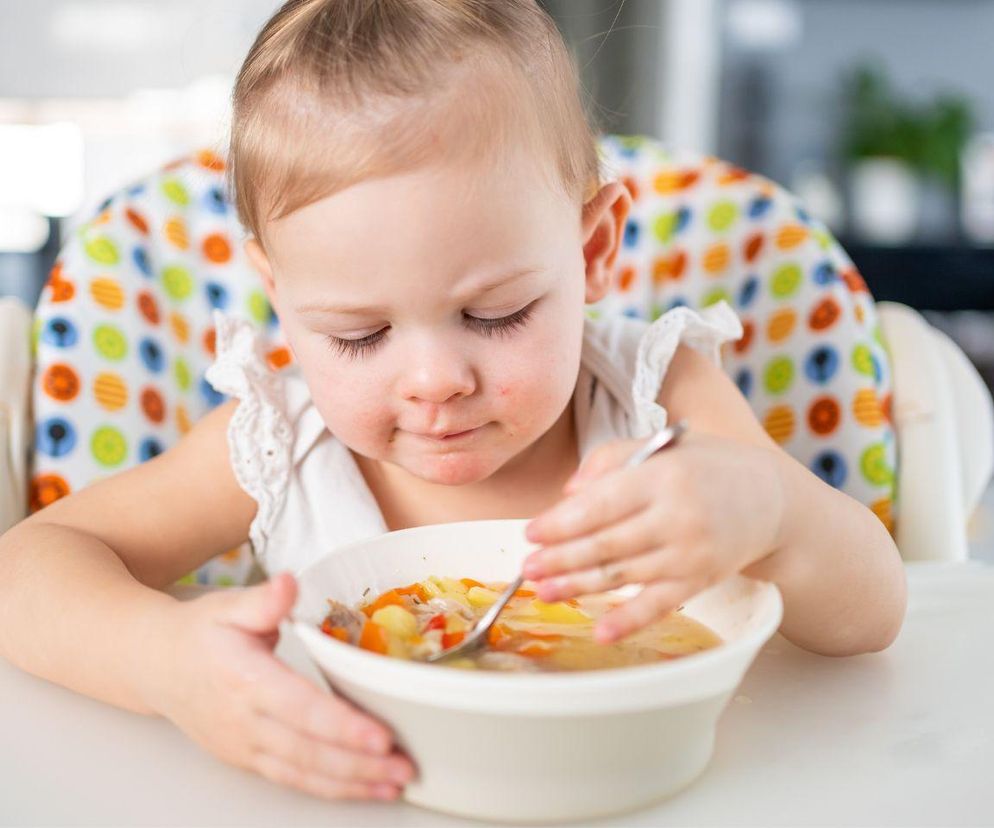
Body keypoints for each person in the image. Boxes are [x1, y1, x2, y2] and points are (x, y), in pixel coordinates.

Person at [0, 0, 906, 805]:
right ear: (278, 294)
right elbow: (27, 571)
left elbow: (873, 620)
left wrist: (771, 509)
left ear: (592, 250)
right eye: (358, 335)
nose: (435, 381)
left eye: (495, 313)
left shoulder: (656, 402)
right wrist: (162, 664)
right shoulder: (282, 441)